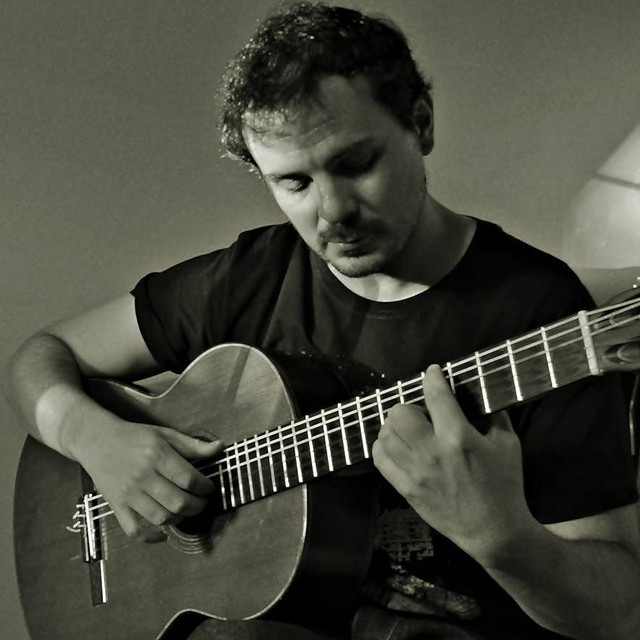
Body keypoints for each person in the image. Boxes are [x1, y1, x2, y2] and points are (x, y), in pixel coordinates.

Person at [6, 2, 640, 639]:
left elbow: (617, 613)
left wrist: (501, 537)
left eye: (356, 164)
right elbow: (43, 354)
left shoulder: (537, 311)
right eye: (294, 183)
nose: (333, 210)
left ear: (420, 125)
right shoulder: (251, 278)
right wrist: (93, 437)